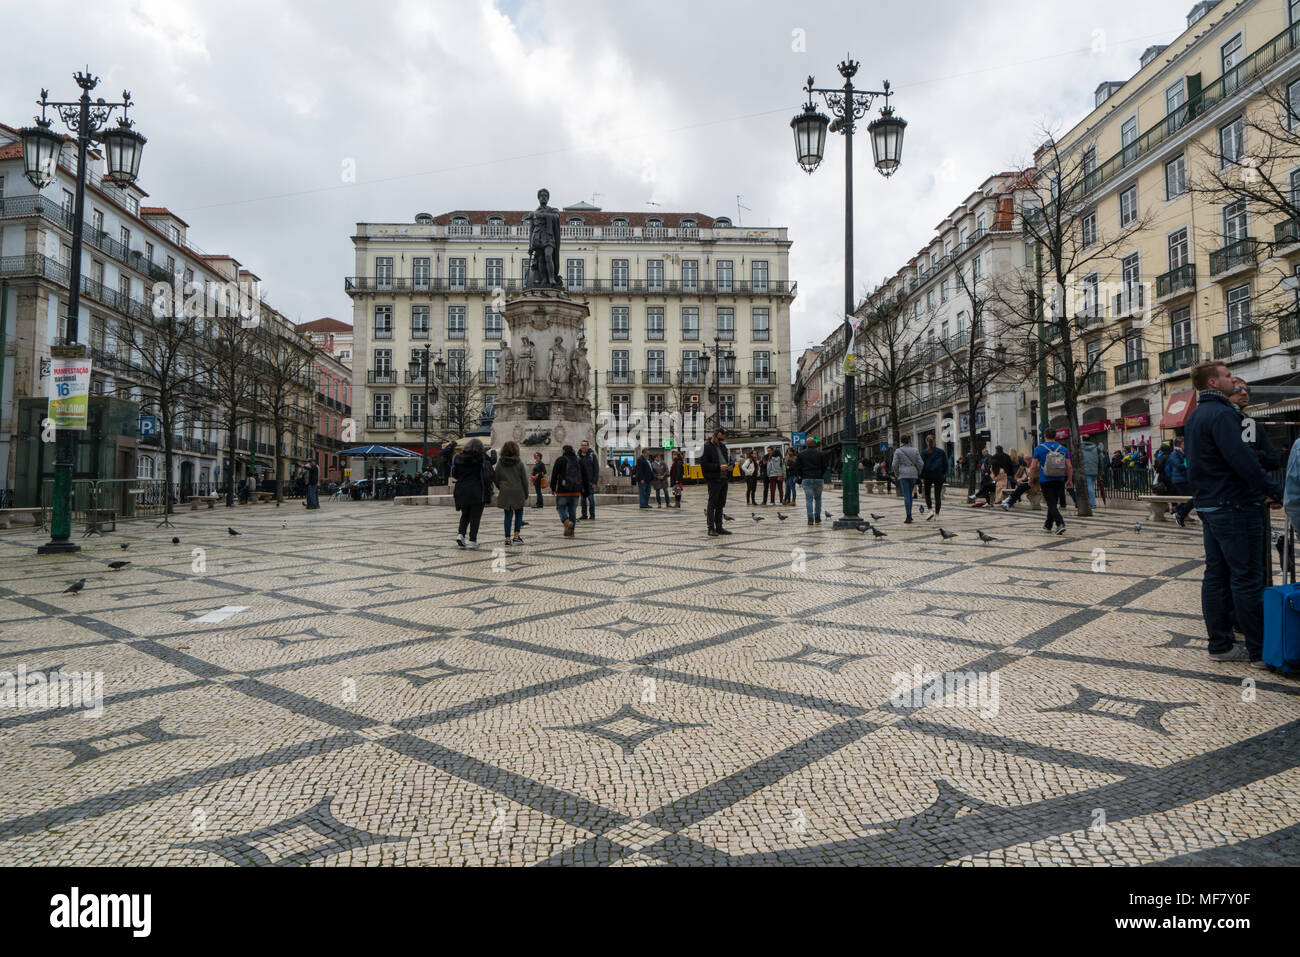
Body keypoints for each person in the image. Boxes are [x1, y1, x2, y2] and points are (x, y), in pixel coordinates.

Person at [1185, 362, 1282, 668]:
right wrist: (1273, 491)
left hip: (1210, 505)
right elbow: (1242, 460)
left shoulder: (1196, 415)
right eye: (1228, 376)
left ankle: (1220, 644)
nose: (1234, 382)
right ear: (1213, 382)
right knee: (1247, 577)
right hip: (1235, 506)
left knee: (1215, 576)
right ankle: (1258, 651)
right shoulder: (1224, 414)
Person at [1030, 431, 1072, 534]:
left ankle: (1060, 523)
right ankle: (1048, 525)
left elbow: (1033, 466)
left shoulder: (1039, 448)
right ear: (1055, 436)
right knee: (1053, 503)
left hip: (1045, 479)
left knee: (1051, 503)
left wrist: (1031, 479)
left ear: (1045, 436)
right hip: (1059, 479)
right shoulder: (1063, 449)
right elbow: (1069, 466)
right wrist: (1069, 480)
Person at [451, 438, 490, 548]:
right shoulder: (480, 458)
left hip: (461, 490)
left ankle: (461, 534)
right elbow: (490, 464)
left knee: (465, 515)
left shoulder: (458, 457)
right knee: (475, 517)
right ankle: (473, 540)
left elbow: (454, 474)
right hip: (476, 490)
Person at [494, 440, 529, 546]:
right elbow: (524, 480)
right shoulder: (519, 462)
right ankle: (516, 536)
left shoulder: (500, 463)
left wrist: (501, 487)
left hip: (505, 491)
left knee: (507, 515)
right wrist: (526, 493)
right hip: (518, 491)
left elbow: (496, 478)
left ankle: (507, 539)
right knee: (519, 514)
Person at [550, 444, 587, 537]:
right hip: (576, 491)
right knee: (572, 511)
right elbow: (585, 475)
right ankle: (571, 532)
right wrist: (584, 489)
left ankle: (566, 522)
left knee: (560, 508)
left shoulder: (560, 460)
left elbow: (554, 474)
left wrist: (553, 488)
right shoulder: (579, 460)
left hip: (563, 490)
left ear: (563, 451)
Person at [701, 428, 732, 537]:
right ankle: (710, 528)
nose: (721, 441)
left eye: (722, 439)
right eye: (719, 439)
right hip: (714, 479)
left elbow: (727, 459)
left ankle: (719, 527)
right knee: (712, 504)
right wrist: (719, 467)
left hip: (724, 479)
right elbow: (704, 465)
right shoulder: (707, 447)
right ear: (714, 436)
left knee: (721, 504)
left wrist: (730, 466)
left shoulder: (723, 447)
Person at [795, 437, 829, 526]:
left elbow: (797, 467)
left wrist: (802, 475)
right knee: (818, 499)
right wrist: (820, 473)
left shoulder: (801, 454)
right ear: (815, 444)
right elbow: (825, 466)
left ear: (806, 444)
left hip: (806, 479)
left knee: (809, 500)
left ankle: (810, 519)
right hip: (818, 478)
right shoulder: (821, 454)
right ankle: (817, 518)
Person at [891, 435, 924, 523]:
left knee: (906, 495)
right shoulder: (915, 450)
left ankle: (908, 515)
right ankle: (910, 514)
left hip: (903, 474)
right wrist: (919, 471)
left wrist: (897, 473)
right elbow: (921, 463)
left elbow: (894, 464)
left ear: (901, 441)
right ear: (909, 441)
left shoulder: (898, 451)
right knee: (910, 494)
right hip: (913, 473)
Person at [920, 435, 948, 520]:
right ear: (934, 441)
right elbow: (945, 464)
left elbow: (921, 465)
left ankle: (930, 510)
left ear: (926, 441)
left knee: (927, 494)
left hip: (928, 475)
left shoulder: (924, 453)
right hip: (938, 475)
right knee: (937, 495)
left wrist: (921, 476)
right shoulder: (941, 452)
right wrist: (943, 473)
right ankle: (937, 514)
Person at [1079, 439, 1104, 509]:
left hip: (1085, 470)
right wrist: (1100, 469)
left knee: (1089, 487)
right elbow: (1101, 458)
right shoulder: (1096, 449)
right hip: (1094, 470)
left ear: (1083, 440)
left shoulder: (1080, 448)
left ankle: (1092, 503)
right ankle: (1090, 502)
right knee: (1091, 486)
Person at [578, 439, 599, 520]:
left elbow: (596, 470)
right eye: (582, 445)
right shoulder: (578, 456)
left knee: (591, 499)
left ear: (588, 446)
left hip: (590, 482)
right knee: (583, 500)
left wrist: (594, 481)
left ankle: (592, 515)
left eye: (585, 445)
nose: (583, 446)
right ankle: (584, 515)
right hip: (581, 482)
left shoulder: (592, 456)